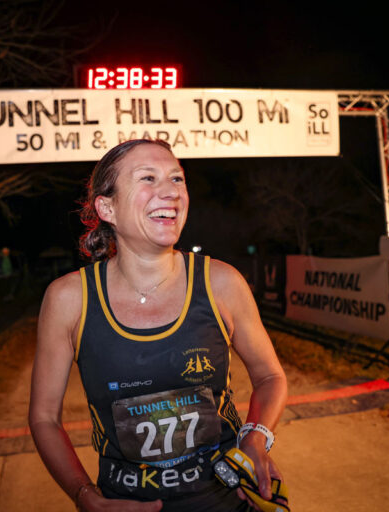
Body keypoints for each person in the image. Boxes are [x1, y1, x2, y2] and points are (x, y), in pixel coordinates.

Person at [29, 139, 287, 511]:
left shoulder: (221, 283)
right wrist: (85, 497)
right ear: (107, 207)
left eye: (177, 179)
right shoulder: (69, 298)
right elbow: (44, 418)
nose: (170, 192)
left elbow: (269, 377)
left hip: (227, 499)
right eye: (148, 178)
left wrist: (255, 438)